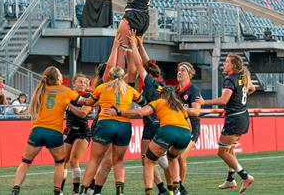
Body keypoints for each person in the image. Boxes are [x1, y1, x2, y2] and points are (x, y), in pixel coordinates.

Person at [105, 87, 192, 195]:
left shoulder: (158, 102)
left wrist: (118, 112)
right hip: (186, 134)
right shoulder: (180, 106)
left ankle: (148, 192)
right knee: (172, 158)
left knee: (148, 161)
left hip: (168, 129)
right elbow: (189, 126)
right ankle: (177, 190)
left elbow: (141, 112)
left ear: (162, 95)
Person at [11, 66, 80, 195]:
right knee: (60, 163)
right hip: (53, 133)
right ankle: (57, 191)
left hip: (37, 131)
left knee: (25, 162)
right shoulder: (65, 91)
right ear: (59, 77)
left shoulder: (41, 90)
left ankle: (15, 190)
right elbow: (84, 101)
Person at [78, 67, 144, 195]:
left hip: (105, 123)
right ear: (123, 76)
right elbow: (143, 101)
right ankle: (120, 192)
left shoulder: (103, 87)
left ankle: (83, 191)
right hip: (124, 125)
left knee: (94, 160)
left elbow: (89, 102)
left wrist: (75, 98)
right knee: (118, 161)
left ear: (109, 75)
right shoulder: (130, 89)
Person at [196, 54, 256, 193]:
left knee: (222, 152)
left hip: (234, 119)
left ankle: (245, 177)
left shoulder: (230, 80)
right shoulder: (242, 77)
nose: (224, 64)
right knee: (229, 150)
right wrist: (237, 100)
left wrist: (205, 102)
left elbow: (223, 101)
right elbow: (251, 89)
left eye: (227, 62)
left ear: (233, 66)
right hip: (243, 117)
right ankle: (230, 179)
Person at [128, 31, 170, 194]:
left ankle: (161, 189)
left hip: (151, 124)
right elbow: (146, 64)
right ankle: (175, 186)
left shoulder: (150, 82)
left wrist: (133, 46)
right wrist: (141, 44)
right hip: (162, 124)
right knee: (160, 157)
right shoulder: (161, 82)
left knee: (146, 159)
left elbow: (140, 65)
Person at [61, 74, 92, 195]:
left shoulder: (88, 97)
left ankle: (75, 191)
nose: (83, 84)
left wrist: (68, 105)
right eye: (80, 82)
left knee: (74, 160)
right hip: (69, 130)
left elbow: (83, 113)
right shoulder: (68, 95)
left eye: (85, 82)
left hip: (82, 131)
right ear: (74, 83)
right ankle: (60, 190)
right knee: (63, 161)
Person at [175, 62, 201, 195]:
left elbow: (196, 112)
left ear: (189, 74)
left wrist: (182, 108)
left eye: (183, 70)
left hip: (192, 129)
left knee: (180, 157)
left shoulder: (194, 90)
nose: (179, 72)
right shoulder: (174, 91)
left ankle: (179, 188)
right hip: (177, 128)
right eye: (178, 70)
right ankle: (174, 186)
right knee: (171, 157)